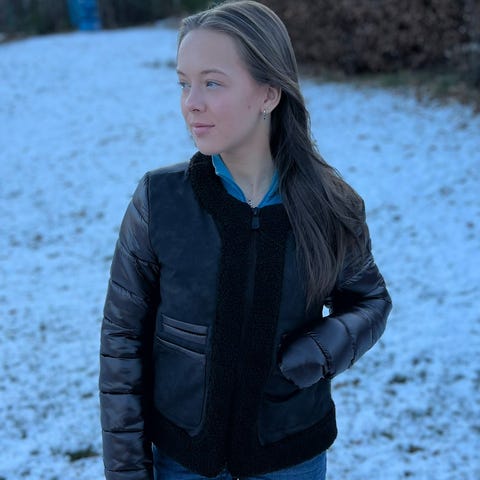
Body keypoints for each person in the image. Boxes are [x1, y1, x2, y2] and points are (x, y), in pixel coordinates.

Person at [99, 1, 392, 479]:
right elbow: (121, 343)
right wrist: (128, 471)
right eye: (184, 83)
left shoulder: (328, 205)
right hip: (182, 461)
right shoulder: (159, 201)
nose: (191, 102)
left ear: (269, 94)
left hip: (291, 458)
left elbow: (370, 301)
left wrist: (318, 352)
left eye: (212, 83)